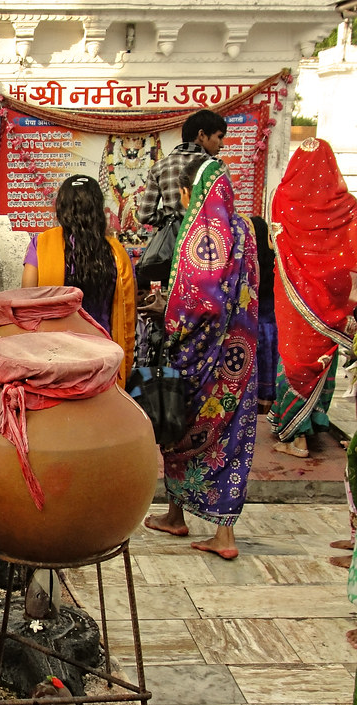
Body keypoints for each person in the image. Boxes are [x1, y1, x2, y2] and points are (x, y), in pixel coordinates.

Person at [144, 157, 259, 561]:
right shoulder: (243, 229)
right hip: (238, 359)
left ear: (193, 193)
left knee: (179, 431)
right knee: (232, 441)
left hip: (201, 360)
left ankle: (178, 515)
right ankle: (220, 534)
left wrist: (166, 313)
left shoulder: (202, 236)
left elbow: (201, 301)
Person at [267, 138, 357, 458]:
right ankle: (314, 422)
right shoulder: (345, 205)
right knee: (320, 356)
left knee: (294, 357)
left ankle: (296, 438)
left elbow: (273, 242)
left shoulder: (284, 196)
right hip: (329, 298)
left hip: (295, 296)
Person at [21, 175, 136, 386]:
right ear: (98, 208)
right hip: (103, 357)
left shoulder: (43, 244)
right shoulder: (116, 253)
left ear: (61, 208)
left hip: (54, 359)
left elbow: (27, 301)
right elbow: (127, 310)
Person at [136, 109, 226, 227]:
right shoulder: (217, 167)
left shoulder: (160, 167)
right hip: (207, 241)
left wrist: (169, 217)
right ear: (202, 135)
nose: (222, 144)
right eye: (220, 137)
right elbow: (226, 212)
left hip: (173, 242)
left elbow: (144, 215)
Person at [250, 216, 279, 414]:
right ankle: (270, 400)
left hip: (256, 323)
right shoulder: (275, 260)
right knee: (271, 360)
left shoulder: (250, 263)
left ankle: (257, 400)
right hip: (274, 323)